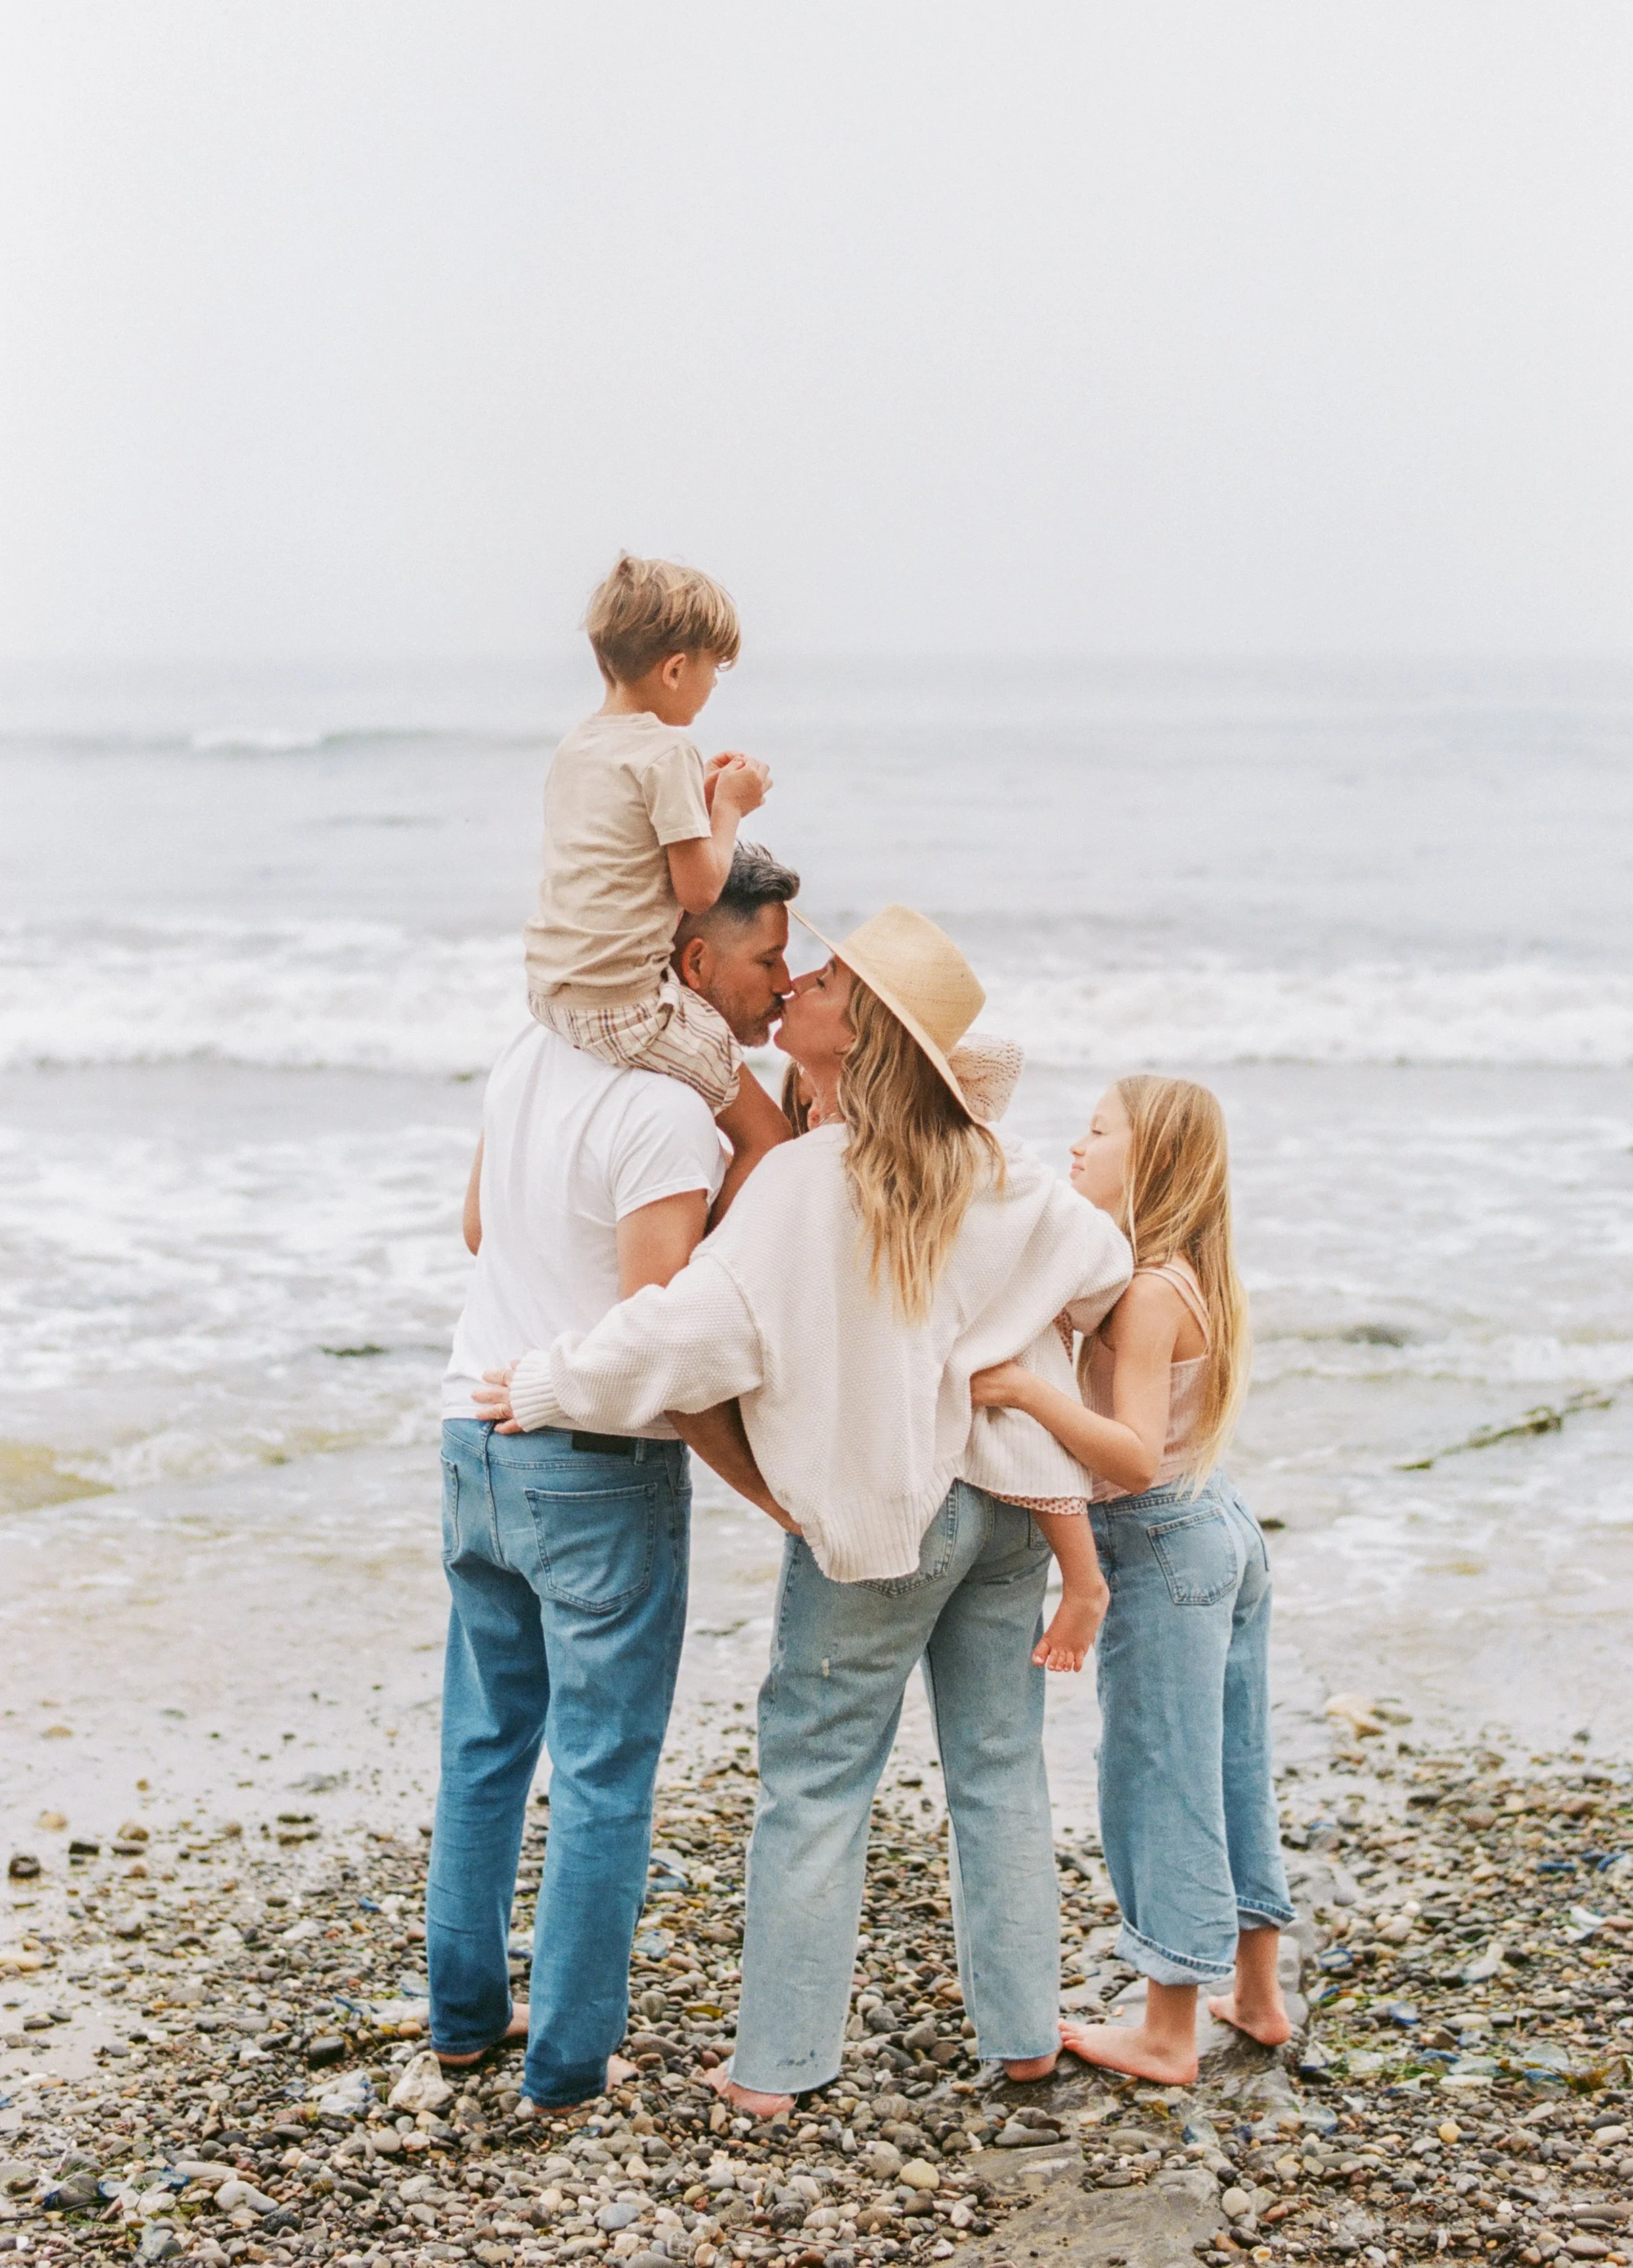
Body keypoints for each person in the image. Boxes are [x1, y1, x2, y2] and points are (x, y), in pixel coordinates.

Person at [476, 906, 1132, 2114]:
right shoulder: (998, 1166)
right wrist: (1015, 1362)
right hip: (1008, 1507)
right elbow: (1103, 1269)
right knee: (998, 1768)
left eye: (825, 979)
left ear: (859, 1030)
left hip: (892, 1518)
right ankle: (1025, 2034)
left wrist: (544, 1380)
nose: (804, 982)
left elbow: (686, 1331)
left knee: (818, 1779)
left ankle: (778, 2065)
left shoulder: (806, 1181)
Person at [432, 843, 801, 2114]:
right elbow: (657, 1337)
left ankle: (466, 2021)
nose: (783, 979)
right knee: (602, 1768)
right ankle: (569, 2059)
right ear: (693, 960)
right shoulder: (663, 1110)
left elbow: (482, 1229)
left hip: (468, 1435)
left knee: (484, 1746)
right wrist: (774, 1488)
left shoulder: (530, 1050)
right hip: (586, 1466)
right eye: (765, 957)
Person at [970, 1075, 1294, 2085]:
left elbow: (1131, 1458)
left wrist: (1027, 1388)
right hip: (1217, 1524)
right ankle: (1256, 1991)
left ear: (1146, 1160)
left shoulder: (1152, 1292)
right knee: (1231, 1758)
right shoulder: (1181, 1269)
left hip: (1162, 1538)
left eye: (1096, 1131)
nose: (1075, 1144)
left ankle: (1167, 2028)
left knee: (1160, 1776)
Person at [524, 552, 791, 1214]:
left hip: (551, 991)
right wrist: (730, 807)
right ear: (675, 670)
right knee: (767, 1138)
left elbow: (626, 852)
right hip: (621, 1005)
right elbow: (699, 892)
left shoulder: (579, 745)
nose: (708, 690)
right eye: (711, 673)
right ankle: (712, 1270)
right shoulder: (668, 749)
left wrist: (699, 799)